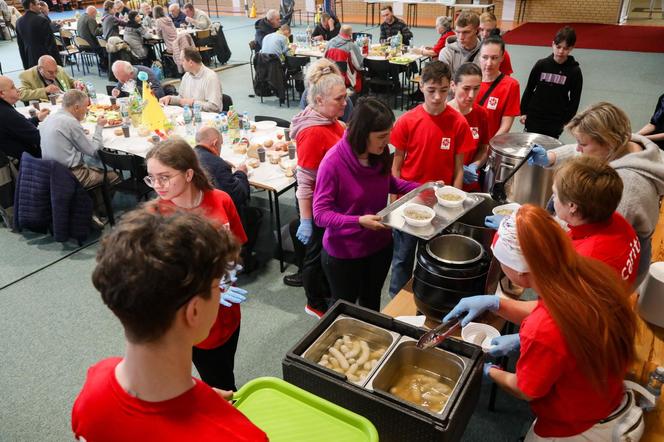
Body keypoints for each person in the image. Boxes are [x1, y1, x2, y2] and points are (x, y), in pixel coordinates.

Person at [443, 205, 639, 441]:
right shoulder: (583, 271)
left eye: (501, 261)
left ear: (520, 273)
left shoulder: (542, 330)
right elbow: (551, 312)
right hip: (605, 395)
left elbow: (526, 389)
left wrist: (486, 371)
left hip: (575, 425)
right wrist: (496, 303)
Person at [71, 207, 268, 441]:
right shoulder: (239, 435)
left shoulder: (94, 385)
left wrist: (198, 395)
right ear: (194, 310)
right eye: (218, 286)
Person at [145, 139, 248, 391]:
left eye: (165, 177)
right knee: (218, 381)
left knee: (226, 366)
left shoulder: (221, 200)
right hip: (191, 318)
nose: (157, 185)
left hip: (227, 310)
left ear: (189, 173)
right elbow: (156, 281)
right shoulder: (155, 217)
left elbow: (236, 243)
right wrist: (203, 290)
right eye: (151, 178)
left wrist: (230, 271)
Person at [528, 102, 664, 285]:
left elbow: (590, 229)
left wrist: (529, 227)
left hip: (613, 269)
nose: (577, 149)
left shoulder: (626, 190)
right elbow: (582, 152)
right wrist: (551, 156)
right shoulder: (625, 143)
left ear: (609, 143)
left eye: (582, 144)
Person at [313, 97, 420, 311]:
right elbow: (320, 214)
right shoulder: (333, 163)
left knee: (371, 304)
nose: (387, 141)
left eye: (389, 134)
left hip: (379, 246)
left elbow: (388, 182)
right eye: (381, 136)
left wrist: (424, 189)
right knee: (345, 310)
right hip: (345, 253)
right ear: (362, 133)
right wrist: (358, 221)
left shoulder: (378, 154)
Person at [388, 61, 474, 297]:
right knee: (402, 258)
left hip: (440, 205)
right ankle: (395, 301)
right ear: (421, 86)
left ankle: (423, 299)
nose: (438, 97)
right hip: (409, 202)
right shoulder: (407, 121)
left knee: (432, 260)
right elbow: (396, 164)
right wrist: (394, 202)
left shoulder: (458, 123)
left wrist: (456, 205)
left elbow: (458, 169)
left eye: (444, 90)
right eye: (431, 90)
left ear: (452, 87)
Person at [287, 58, 347, 317]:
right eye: (339, 99)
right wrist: (306, 219)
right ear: (319, 100)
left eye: (345, 97)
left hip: (332, 198)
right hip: (318, 203)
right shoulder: (313, 132)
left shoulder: (331, 120)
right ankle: (315, 303)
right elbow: (305, 181)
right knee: (315, 255)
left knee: (323, 252)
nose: (345, 103)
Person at [39, 89, 116, 192]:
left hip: (50, 173)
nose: (87, 110)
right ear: (76, 107)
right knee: (114, 175)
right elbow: (94, 151)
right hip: (70, 175)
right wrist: (99, 127)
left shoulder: (49, 118)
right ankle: (98, 205)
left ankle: (93, 201)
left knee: (93, 166)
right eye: (85, 107)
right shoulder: (70, 122)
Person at [520, 26, 583, 139]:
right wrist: (524, 111)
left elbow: (575, 99)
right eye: (558, 47)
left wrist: (567, 120)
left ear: (571, 48)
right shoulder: (541, 65)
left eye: (565, 48)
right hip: (535, 116)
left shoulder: (574, 71)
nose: (561, 51)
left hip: (555, 119)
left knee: (548, 150)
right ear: (553, 44)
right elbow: (529, 88)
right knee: (529, 146)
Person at [447, 62, 490, 191]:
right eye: (466, 88)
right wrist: (457, 169)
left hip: (469, 186)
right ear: (453, 86)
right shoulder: (443, 116)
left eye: (476, 88)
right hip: (445, 183)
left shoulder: (481, 114)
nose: (471, 95)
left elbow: (483, 148)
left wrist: (475, 165)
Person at [194, 126, 249, 212]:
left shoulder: (191, 155)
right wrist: (241, 173)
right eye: (221, 144)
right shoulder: (218, 165)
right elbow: (237, 196)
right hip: (218, 212)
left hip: (199, 207)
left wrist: (220, 162)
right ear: (215, 143)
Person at [477, 35, 520, 138]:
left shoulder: (511, 86)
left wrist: (490, 146)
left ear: (502, 58)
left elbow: (506, 125)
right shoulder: (469, 81)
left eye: (494, 58)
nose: (489, 63)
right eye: (485, 57)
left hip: (491, 144)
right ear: (479, 57)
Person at [159, 47, 222, 112]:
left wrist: (193, 103)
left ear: (191, 63)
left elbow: (215, 107)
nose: (181, 63)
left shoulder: (211, 77)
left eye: (182, 60)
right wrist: (170, 99)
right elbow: (181, 99)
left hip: (208, 119)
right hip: (190, 116)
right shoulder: (186, 76)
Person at [0, 75, 48, 160]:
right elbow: (38, 138)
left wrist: (37, 118)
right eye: (12, 87)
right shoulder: (7, 114)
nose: (17, 90)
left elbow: (21, 126)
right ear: (1, 93)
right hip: (26, 162)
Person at [19, 55, 85, 103]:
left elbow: (70, 81)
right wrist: (45, 90)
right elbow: (21, 95)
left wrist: (76, 82)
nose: (54, 75)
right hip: (48, 107)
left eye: (56, 71)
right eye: (50, 72)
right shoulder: (26, 76)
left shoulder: (59, 69)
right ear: (40, 69)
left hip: (67, 103)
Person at [16, 0, 60, 69]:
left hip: (29, 59)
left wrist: (25, 66)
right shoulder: (42, 20)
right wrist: (58, 63)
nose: (40, 7)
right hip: (44, 59)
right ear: (31, 5)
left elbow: (21, 46)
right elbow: (51, 44)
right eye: (38, 4)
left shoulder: (18, 22)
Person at [438, 11, 481, 79]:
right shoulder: (446, 52)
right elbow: (444, 83)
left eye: (466, 32)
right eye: (458, 32)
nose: (461, 37)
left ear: (477, 31)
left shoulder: (485, 54)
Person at [324, 24, 364, 94]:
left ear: (339, 32)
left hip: (330, 76)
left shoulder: (329, 43)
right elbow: (359, 66)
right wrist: (363, 56)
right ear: (350, 34)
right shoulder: (352, 46)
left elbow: (323, 60)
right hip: (347, 81)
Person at [478, 11, 513, 76]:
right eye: (482, 29)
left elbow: (505, 79)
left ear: (495, 30)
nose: (484, 34)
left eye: (489, 30)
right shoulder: (472, 48)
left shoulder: (502, 54)